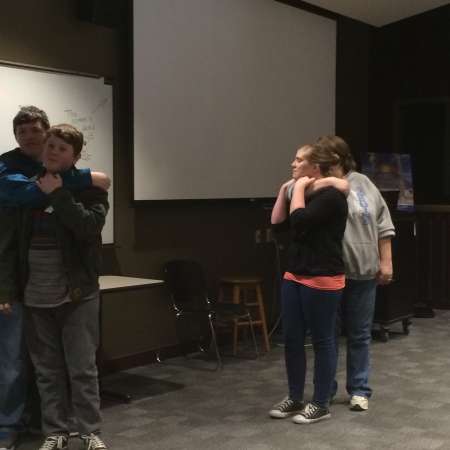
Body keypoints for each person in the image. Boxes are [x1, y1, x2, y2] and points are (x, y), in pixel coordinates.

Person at [0, 106, 110, 450]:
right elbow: (10, 245)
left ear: (74, 155)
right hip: (33, 292)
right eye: (50, 147)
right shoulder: (21, 183)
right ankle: (55, 431)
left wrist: (60, 191)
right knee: (45, 370)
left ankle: (89, 430)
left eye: (61, 149)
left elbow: (88, 226)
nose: (50, 151)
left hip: (77, 291)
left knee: (81, 368)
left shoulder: (88, 190)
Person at [269, 143, 348, 424]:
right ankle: (294, 397)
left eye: (299, 160)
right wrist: (284, 190)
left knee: (323, 340)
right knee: (292, 339)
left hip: (323, 276)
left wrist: (298, 188)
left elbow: (300, 221)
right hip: (295, 274)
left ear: (315, 167)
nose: (293, 163)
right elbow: (278, 223)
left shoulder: (331, 197)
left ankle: (321, 402)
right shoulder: (302, 191)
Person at [316, 135, 395, 411]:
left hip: (362, 271)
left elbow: (383, 226)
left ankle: (359, 389)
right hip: (329, 274)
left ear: (338, 158)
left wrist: (386, 262)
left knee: (360, 335)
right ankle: (324, 391)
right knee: (327, 336)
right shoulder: (317, 185)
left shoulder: (363, 183)